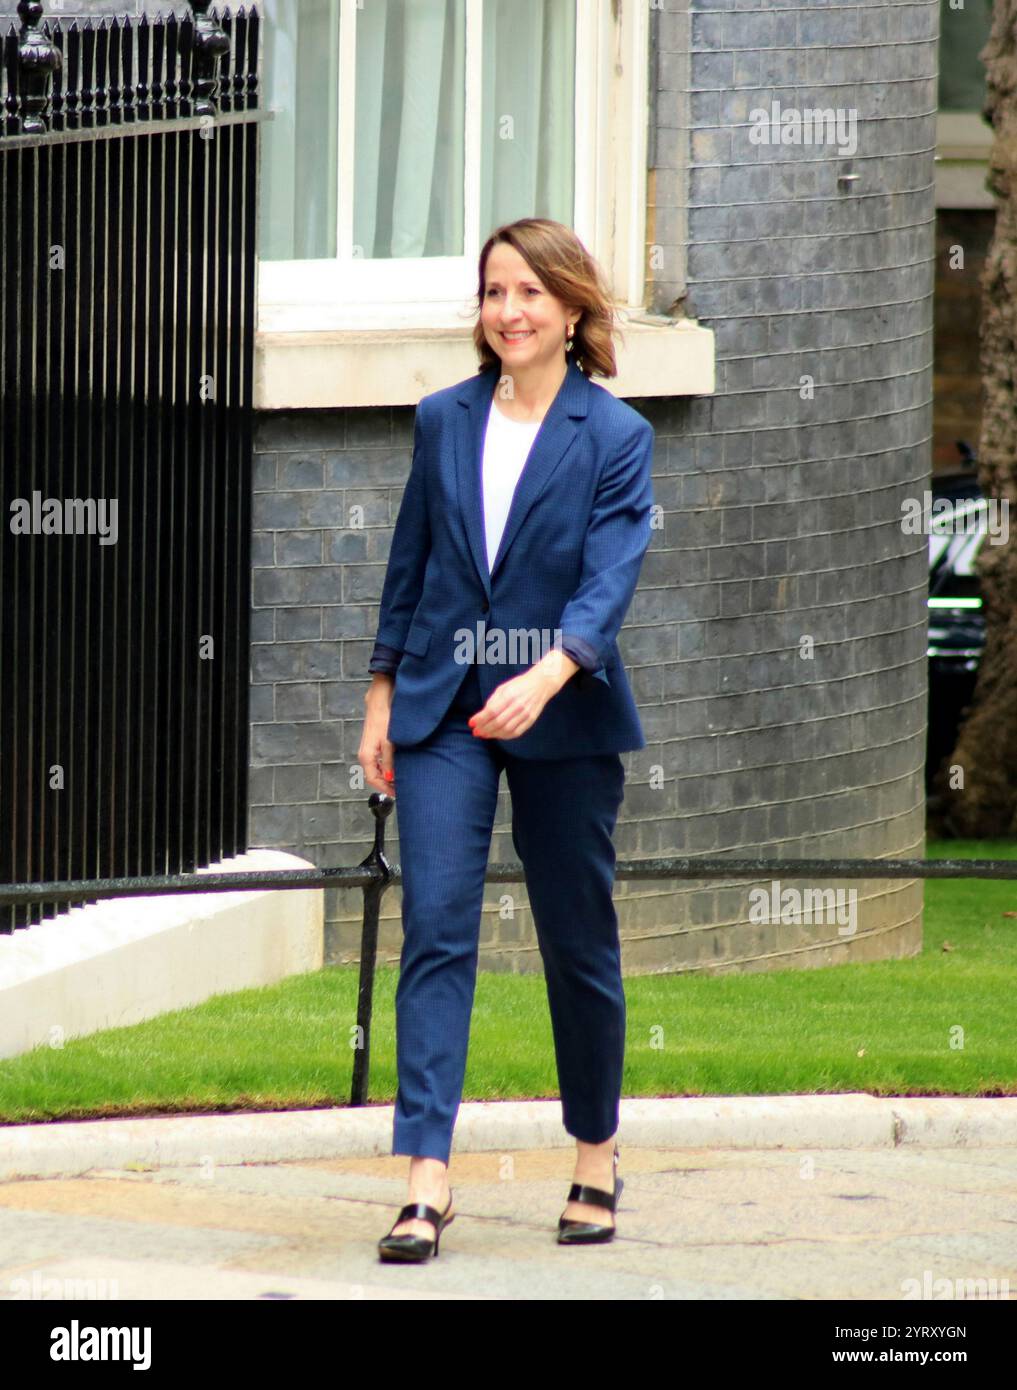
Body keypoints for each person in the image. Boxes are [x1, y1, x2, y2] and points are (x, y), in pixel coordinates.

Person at [358, 217, 655, 1261]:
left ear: (572, 309)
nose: (510, 310)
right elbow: (412, 563)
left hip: (562, 713)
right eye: (494, 292)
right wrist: (382, 693)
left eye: (529, 292)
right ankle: (426, 1182)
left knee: (578, 939)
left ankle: (594, 1154)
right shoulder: (443, 420)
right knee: (437, 924)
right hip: (442, 711)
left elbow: (610, 577)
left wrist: (551, 669)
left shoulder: (614, 437)